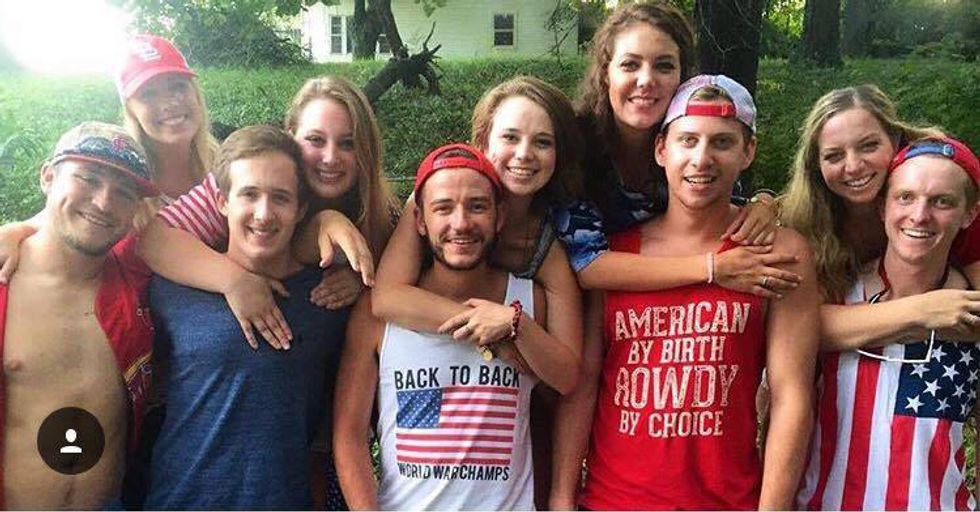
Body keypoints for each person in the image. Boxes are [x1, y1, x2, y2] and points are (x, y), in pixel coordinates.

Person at [553, 76, 820, 510]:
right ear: (662, 149)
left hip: (726, 501)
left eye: (722, 142)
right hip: (613, 501)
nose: (702, 159)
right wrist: (562, 497)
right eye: (688, 140)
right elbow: (584, 385)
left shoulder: (777, 252)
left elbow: (791, 395)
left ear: (748, 151)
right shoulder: (616, 256)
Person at [370, 76, 584, 507]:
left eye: (543, 142)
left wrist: (512, 325)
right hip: (436, 377)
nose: (524, 153)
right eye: (510, 137)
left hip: (507, 418)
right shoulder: (435, 193)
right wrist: (486, 327)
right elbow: (387, 296)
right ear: (483, 142)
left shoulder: (548, 244)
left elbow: (568, 374)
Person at [144, 125, 349, 509]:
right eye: (249, 194)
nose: (264, 214)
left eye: (280, 198)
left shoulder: (329, 299)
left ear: (301, 210)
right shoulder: (170, 290)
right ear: (221, 202)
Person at [556, 0, 798, 296]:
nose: (646, 80)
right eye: (630, 64)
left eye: (664, 66)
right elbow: (588, 264)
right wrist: (711, 268)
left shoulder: (688, 146)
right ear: (606, 72)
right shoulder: (573, 146)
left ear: (682, 76)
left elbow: (729, 199)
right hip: (571, 303)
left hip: (663, 303)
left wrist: (762, 204)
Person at [796, 137, 980, 510]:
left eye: (942, 201)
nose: (920, 215)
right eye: (905, 197)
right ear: (882, 207)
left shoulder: (972, 311)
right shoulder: (831, 290)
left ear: (969, 214)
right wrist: (922, 311)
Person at [0, 122, 158, 508]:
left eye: (124, 192)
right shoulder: (5, 284)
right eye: (88, 178)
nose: (104, 203)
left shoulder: (139, 277)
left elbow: (232, 206)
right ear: (48, 177)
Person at [780, 85, 980, 362]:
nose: (853, 166)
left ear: (896, 141)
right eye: (834, 156)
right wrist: (923, 312)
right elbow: (795, 328)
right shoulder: (804, 223)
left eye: (868, 146)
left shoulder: (947, 194)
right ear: (816, 166)